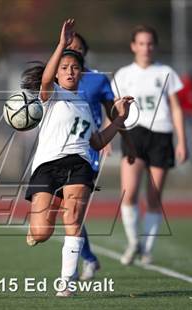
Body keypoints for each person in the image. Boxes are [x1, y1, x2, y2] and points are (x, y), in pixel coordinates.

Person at [22, 19, 133, 296]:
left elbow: (96, 141)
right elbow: (45, 78)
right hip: (47, 165)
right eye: (64, 68)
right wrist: (62, 45)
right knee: (41, 232)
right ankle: (37, 230)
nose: (70, 71)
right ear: (57, 74)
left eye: (75, 68)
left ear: (81, 73)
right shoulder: (50, 93)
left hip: (79, 164)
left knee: (72, 220)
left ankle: (67, 282)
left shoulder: (85, 105)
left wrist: (119, 121)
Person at [112, 25, 188, 265]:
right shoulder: (124, 74)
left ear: (154, 46)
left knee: (154, 197)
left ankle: (147, 249)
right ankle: (134, 242)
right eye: (141, 43)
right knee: (129, 192)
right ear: (134, 46)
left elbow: (176, 108)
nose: (146, 48)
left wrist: (182, 141)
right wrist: (106, 135)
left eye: (150, 43)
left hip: (161, 135)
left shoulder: (165, 72)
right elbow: (114, 107)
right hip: (134, 134)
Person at [67, 33, 136, 280]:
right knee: (67, 211)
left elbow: (115, 115)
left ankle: (75, 266)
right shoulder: (56, 78)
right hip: (59, 151)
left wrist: (126, 142)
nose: (73, 51)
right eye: (68, 47)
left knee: (73, 210)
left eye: (77, 48)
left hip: (88, 150)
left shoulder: (96, 80)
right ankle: (89, 259)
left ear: (85, 52)